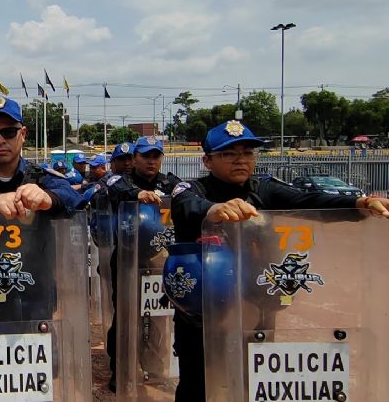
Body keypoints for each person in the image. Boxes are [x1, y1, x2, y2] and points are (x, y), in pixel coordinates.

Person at [169, 120, 389, 402]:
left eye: (248, 152)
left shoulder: (264, 188)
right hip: (202, 311)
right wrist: (214, 210)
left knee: (253, 382)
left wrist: (359, 204)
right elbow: (188, 206)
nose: (240, 159)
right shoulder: (192, 189)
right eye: (228, 153)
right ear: (207, 161)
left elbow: (308, 200)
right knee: (198, 383)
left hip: (257, 304)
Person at [101, 136, 182, 392]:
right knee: (126, 316)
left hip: (160, 259)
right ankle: (120, 369)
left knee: (158, 316)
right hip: (127, 259)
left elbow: (188, 196)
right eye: (146, 156)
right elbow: (113, 187)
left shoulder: (170, 183)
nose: (151, 161)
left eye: (156, 156)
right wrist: (138, 193)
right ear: (135, 159)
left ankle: (155, 369)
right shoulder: (122, 181)